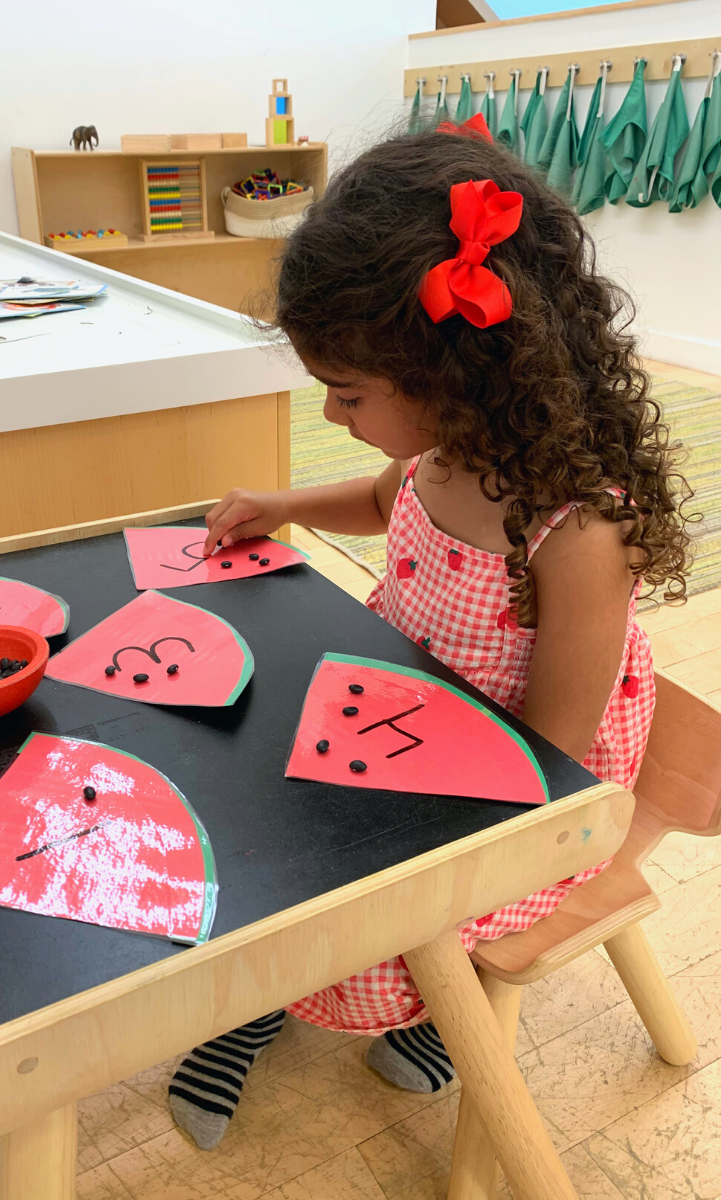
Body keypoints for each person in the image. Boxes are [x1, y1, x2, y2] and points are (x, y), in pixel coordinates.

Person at [167, 116, 692, 1150]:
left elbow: (548, 766)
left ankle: (403, 1011)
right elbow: (382, 491)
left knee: (331, 909)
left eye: (349, 393)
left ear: (453, 370)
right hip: (408, 722)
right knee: (240, 800)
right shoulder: (454, 444)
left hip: (508, 798)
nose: (331, 408)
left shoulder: (578, 528)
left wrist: (373, 818)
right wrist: (280, 503)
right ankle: (255, 994)